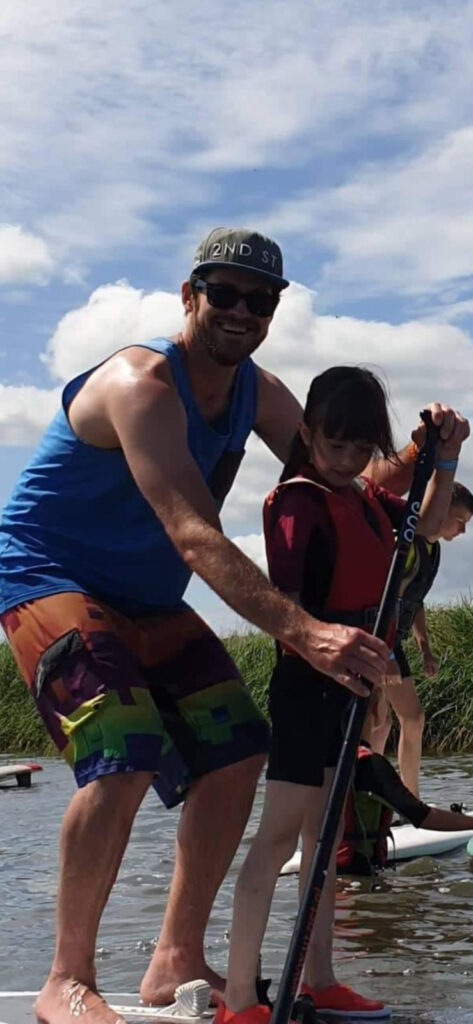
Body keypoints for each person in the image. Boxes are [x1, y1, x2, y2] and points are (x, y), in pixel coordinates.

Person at [0, 226, 466, 1024]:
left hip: (149, 599)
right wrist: (308, 633)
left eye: (260, 300)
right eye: (224, 293)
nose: (241, 311)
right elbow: (193, 533)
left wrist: (426, 450)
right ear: (190, 296)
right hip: (52, 578)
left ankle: (174, 959)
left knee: (239, 749)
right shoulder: (142, 384)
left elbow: (341, 473)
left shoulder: (260, 391)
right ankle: (65, 981)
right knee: (122, 748)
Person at [217, 366, 468, 1024]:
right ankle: (240, 999)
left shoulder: (363, 496)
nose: (348, 460)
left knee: (323, 842)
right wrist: (328, 655)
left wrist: (445, 458)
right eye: (335, 445)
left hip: (350, 691)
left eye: (362, 448)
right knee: (279, 839)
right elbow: (289, 607)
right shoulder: (296, 501)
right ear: (306, 434)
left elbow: (427, 523)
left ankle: (320, 980)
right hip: (307, 689)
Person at [366, 481, 473, 797]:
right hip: (375, 638)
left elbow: (415, 602)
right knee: (404, 719)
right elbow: (383, 597)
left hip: (390, 642)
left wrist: (424, 647)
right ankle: (402, 801)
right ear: (440, 508)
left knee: (385, 722)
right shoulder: (406, 543)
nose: (463, 531)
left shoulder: (432, 549)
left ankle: (382, 799)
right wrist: (385, 653)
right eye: (460, 520)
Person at [337, 739, 473, 876]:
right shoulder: (370, 765)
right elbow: (422, 816)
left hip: (330, 871)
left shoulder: (328, 760)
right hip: (353, 874)